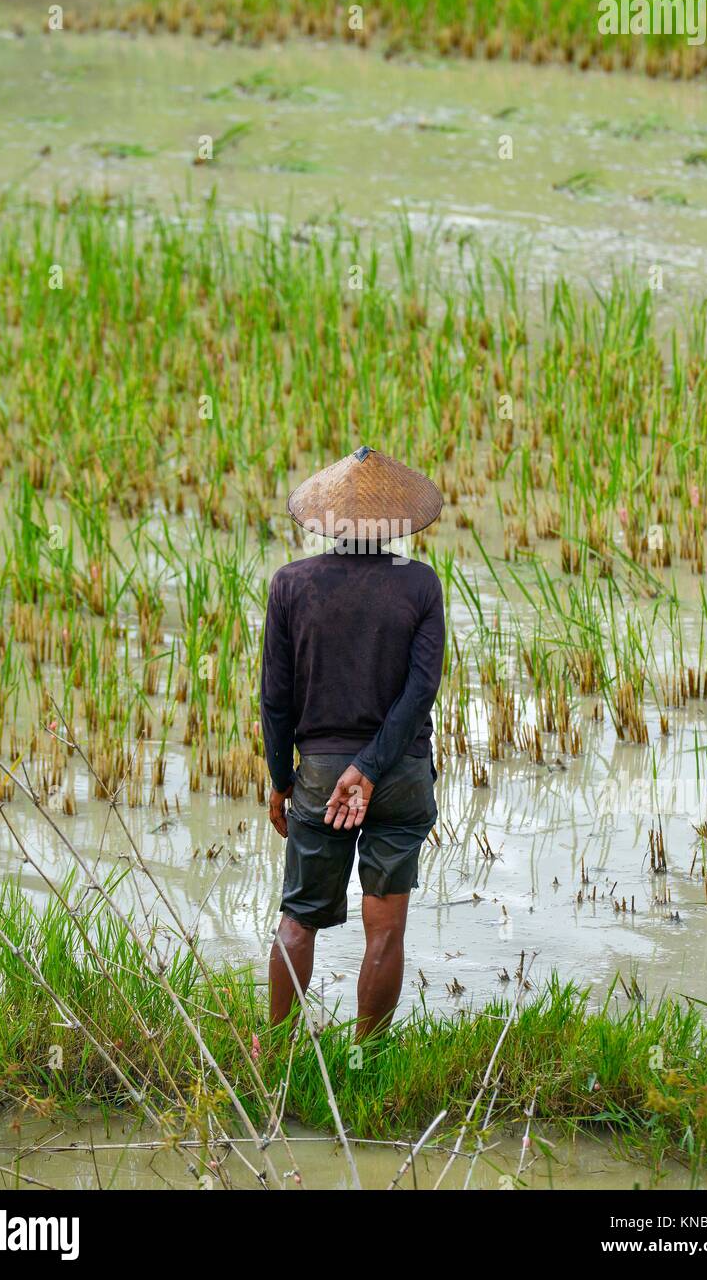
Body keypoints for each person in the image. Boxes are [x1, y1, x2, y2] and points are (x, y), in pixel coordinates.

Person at [261, 445, 445, 1040]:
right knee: (386, 930)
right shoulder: (418, 585)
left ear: (327, 521)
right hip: (401, 773)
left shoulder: (292, 585)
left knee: (299, 920)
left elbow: (276, 699)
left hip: (320, 776)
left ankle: (280, 1056)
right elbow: (421, 694)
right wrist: (370, 768)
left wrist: (280, 780)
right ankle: (367, 1055)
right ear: (395, 520)